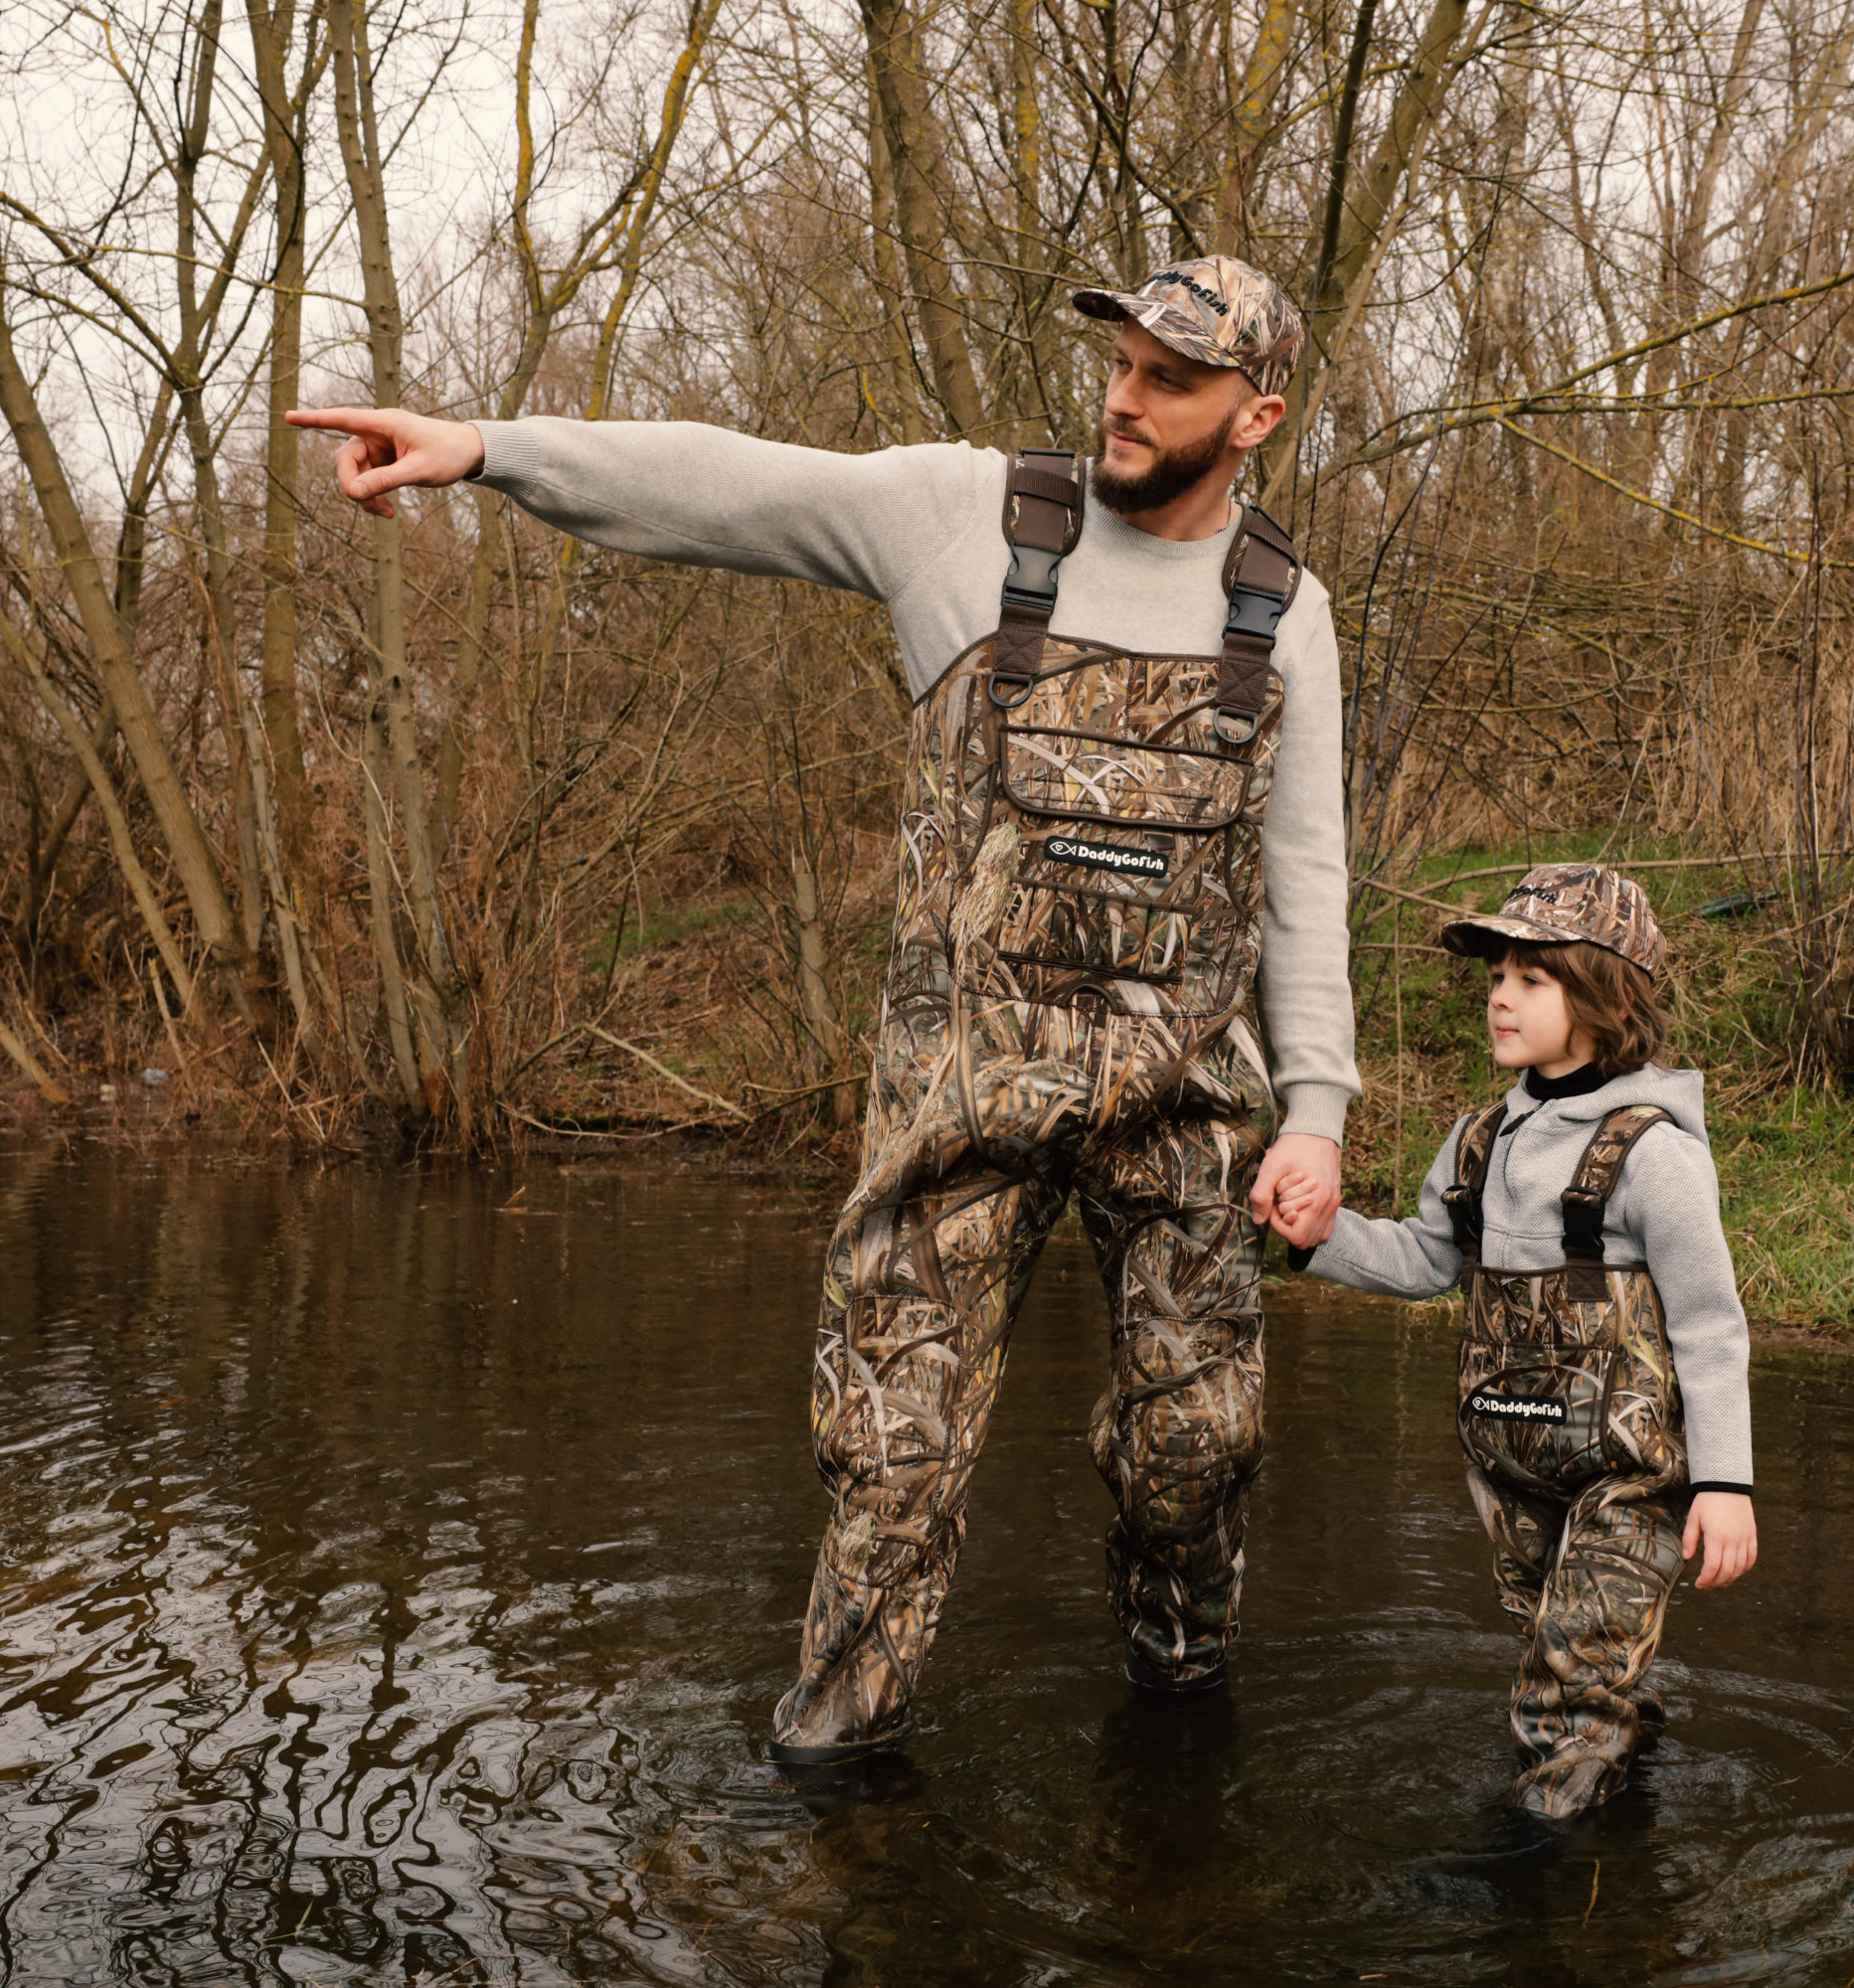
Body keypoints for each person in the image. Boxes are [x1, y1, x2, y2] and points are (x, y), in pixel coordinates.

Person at [290, 255, 1362, 1764]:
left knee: (1197, 1457)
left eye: (1168, 379)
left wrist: (1315, 1115)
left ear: (1255, 416)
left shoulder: (1288, 609)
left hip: (1185, 1105)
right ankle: (836, 1770)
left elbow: (1307, 876)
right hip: (958, 1111)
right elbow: (728, 486)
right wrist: (492, 450)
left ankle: (1180, 1737)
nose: (1123, 398)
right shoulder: (970, 516)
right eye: (1119, 364)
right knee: (889, 1462)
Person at [1280, 863, 1756, 1816]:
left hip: (1632, 1483)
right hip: (1515, 1481)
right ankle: (1627, 1838)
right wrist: (1318, 1235)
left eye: (1530, 980)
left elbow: (1711, 1327)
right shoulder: (1477, 1141)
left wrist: (1726, 1484)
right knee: (1588, 1674)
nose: (1499, 997)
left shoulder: (1653, 1154)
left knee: (1566, 1691)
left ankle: (1533, 1883)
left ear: (1601, 993)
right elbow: (1424, 1261)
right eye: (1497, 977)